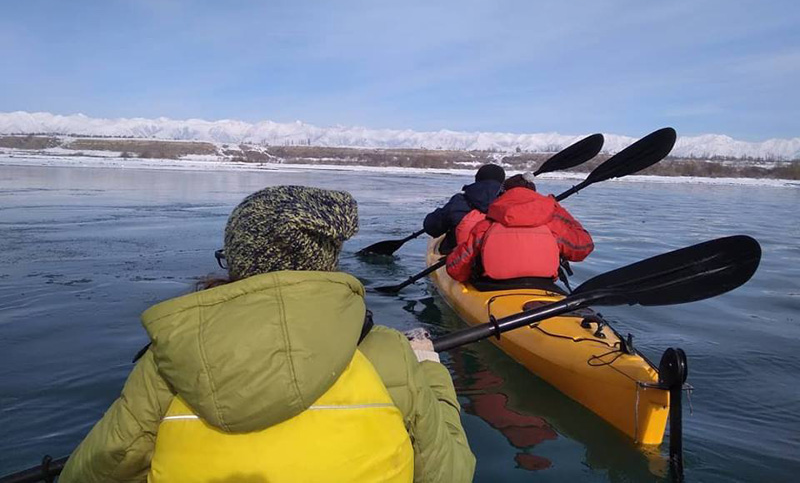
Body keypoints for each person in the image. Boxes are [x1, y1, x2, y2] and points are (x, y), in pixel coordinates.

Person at [60, 185, 475, 483]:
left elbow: (91, 472)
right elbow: (451, 472)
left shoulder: (169, 362)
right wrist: (431, 372)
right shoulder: (387, 351)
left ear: (238, 261)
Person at [446, 173, 594, 286]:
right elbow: (583, 248)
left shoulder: (485, 227)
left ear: (502, 196)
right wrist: (557, 209)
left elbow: (455, 269)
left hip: (493, 288)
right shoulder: (553, 225)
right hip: (543, 287)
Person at [423, 163, 505, 253]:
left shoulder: (460, 201)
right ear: (502, 182)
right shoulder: (508, 204)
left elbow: (432, 228)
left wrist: (440, 213)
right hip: (494, 255)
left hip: (455, 257)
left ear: (477, 179)